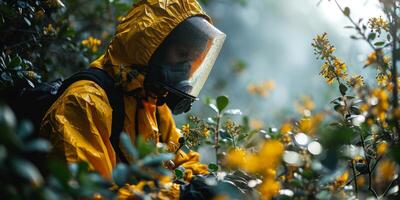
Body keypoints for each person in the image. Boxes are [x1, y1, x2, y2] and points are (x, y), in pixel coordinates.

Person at [39, 0, 225, 198]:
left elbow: (177, 161)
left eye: (193, 58)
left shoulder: (150, 99)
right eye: (181, 54)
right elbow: (91, 193)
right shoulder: (84, 102)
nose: (187, 67)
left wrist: (212, 181)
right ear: (151, 46)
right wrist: (180, 195)